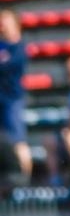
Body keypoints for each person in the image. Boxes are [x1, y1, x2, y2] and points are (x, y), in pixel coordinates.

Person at [0, 9, 30, 184]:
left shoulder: (19, 47)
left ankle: (24, 181)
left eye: (6, 23)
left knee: (18, 142)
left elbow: (8, 66)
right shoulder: (2, 46)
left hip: (12, 101)